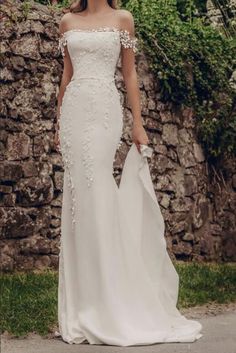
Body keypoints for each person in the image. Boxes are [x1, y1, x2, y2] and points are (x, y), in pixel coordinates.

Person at [54, 0, 203, 346]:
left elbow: (130, 73)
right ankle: (82, 306)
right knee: (77, 200)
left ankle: (112, 300)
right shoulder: (66, 21)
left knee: (99, 190)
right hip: (75, 111)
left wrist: (138, 123)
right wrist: (59, 122)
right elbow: (67, 74)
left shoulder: (124, 19)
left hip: (104, 110)